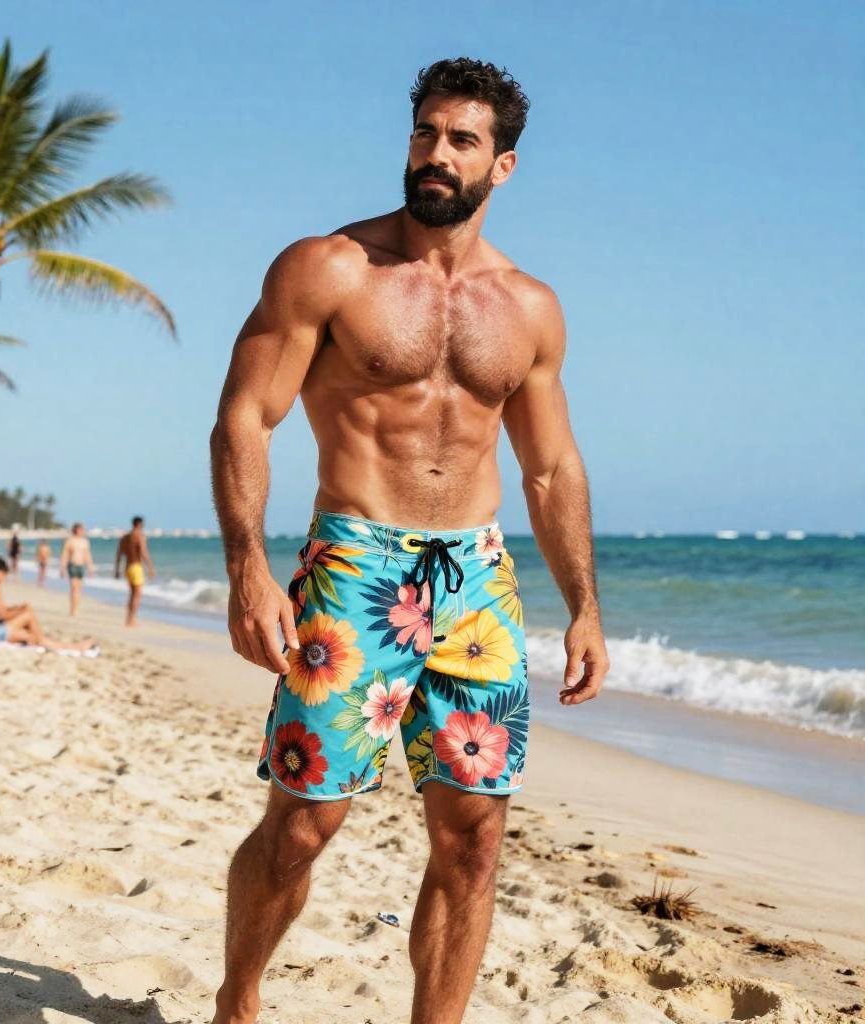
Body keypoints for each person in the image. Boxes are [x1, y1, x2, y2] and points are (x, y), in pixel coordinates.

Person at [208, 58, 610, 1024]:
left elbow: (551, 470)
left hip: (479, 578)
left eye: (461, 140)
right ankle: (239, 1000)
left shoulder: (530, 308)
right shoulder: (328, 269)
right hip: (354, 566)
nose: (436, 154)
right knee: (306, 825)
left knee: (473, 839)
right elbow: (244, 420)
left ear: (501, 166)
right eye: (426, 132)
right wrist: (248, 567)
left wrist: (585, 606)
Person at [0, 556, 93, 652]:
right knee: (28, 616)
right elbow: (3, 614)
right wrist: (22, 610)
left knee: (29, 633)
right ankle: (72, 647)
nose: (3, 578)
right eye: (4, 575)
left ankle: (56, 643)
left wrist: (18, 609)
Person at [114, 516, 156, 627]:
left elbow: (119, 554)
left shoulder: (125, 537)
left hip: (127, 567)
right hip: (136, 567)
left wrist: (117, 570)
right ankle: (132, 619)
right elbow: (143, 553)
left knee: (132, 594)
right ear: (140, 525)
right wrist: (151, 567)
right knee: (137, 595)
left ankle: (128, 618)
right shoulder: (139, 537)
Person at [60, 523, 94, 616]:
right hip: (72, 565)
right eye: (79, 529)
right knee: (74, 588)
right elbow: (65, 554)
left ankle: (76, 607)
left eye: (82, 529)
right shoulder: (70, 541)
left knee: (79, 589)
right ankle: (73, 609)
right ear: (75, 530)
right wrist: (62, 568)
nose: (81, 531)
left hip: (81, 566)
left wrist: (90, 567)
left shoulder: (85, 541)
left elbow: (88, 555)